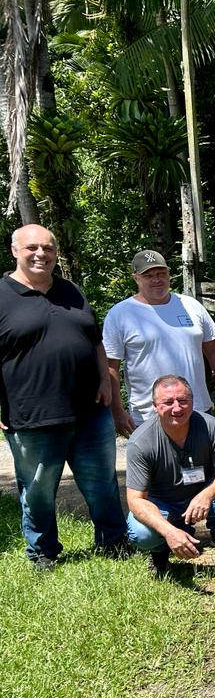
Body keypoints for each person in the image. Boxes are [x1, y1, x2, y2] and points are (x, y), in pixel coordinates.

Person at [0, 224, 128, 569]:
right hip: (32, 415)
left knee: (103, 483)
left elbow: (95, 340)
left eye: (48, 248)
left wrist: (105, 378)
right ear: (15, 251)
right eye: (32, 248)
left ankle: (114, 542)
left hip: (91, 411)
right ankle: (43, 552)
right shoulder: (1, 296)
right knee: (38, 490)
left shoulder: (72, 291)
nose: (41, 253)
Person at [125, 375, 215, 586]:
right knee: (141, 533)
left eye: (183, 400)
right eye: (168, 402)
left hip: (202, 498)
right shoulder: (141, 442)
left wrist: (205, 495)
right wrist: (169, 531)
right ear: (155, 406)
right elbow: (135, 500)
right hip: (163, 504)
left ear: (192, 401)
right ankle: (160, 553)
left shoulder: (210, 426)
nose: (177, 408)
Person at [104, 249, 215, 431]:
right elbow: (111, 367)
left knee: (203, 460)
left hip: (197, 411)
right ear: (136, 278)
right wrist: (117, 410)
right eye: (148, 275)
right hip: (149, 416)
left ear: (169, 275)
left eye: (161, 274)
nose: (156, 280)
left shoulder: (191, 306)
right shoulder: (120, 314)